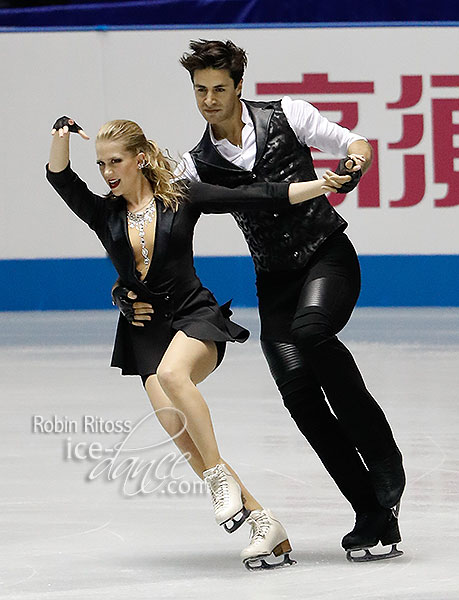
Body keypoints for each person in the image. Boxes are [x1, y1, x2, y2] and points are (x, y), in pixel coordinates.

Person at [46, 116, 351, 570]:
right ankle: (266, 525)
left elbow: (257, 195)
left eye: (116, 161)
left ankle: (219, 481)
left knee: (174, 377)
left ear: (140, 159)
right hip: (146, 333)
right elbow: (60, 178)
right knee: (180, 435)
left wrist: (319, 185)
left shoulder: (180, 196)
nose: (107, 172)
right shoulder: (105, 213)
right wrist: (59, 137)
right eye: (101, 163)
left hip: (194, 318)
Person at [172, 39, 406, 562]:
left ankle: (384, 461)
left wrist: (356, 162)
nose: (209, 100)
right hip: (274, 281)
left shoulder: (288, 115)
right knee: (300, 397)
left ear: (238, 87)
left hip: (327, 257)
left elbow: (356, 142)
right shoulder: (197, 164)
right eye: (199, 90)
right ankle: (371, 510)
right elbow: (166, 228)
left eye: (218, 89)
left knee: (312, 334)